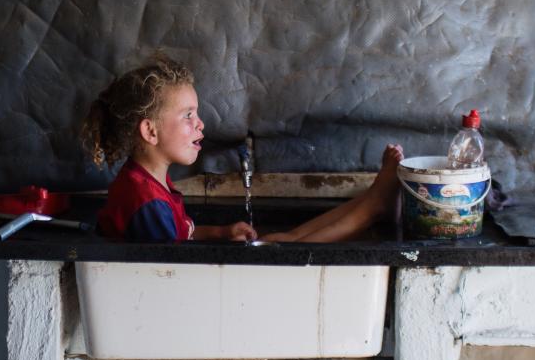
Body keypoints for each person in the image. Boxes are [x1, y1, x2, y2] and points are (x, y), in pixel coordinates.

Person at [81, 55, 404, 243]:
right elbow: (174, 269)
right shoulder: (146, 203)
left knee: (284, 239)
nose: (201, 124)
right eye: (188, 115)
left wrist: (220, 232)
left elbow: (182, 234)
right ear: (150, 131)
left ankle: (371, 200)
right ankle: (374, 206)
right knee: (285, 246)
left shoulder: (147, 182)